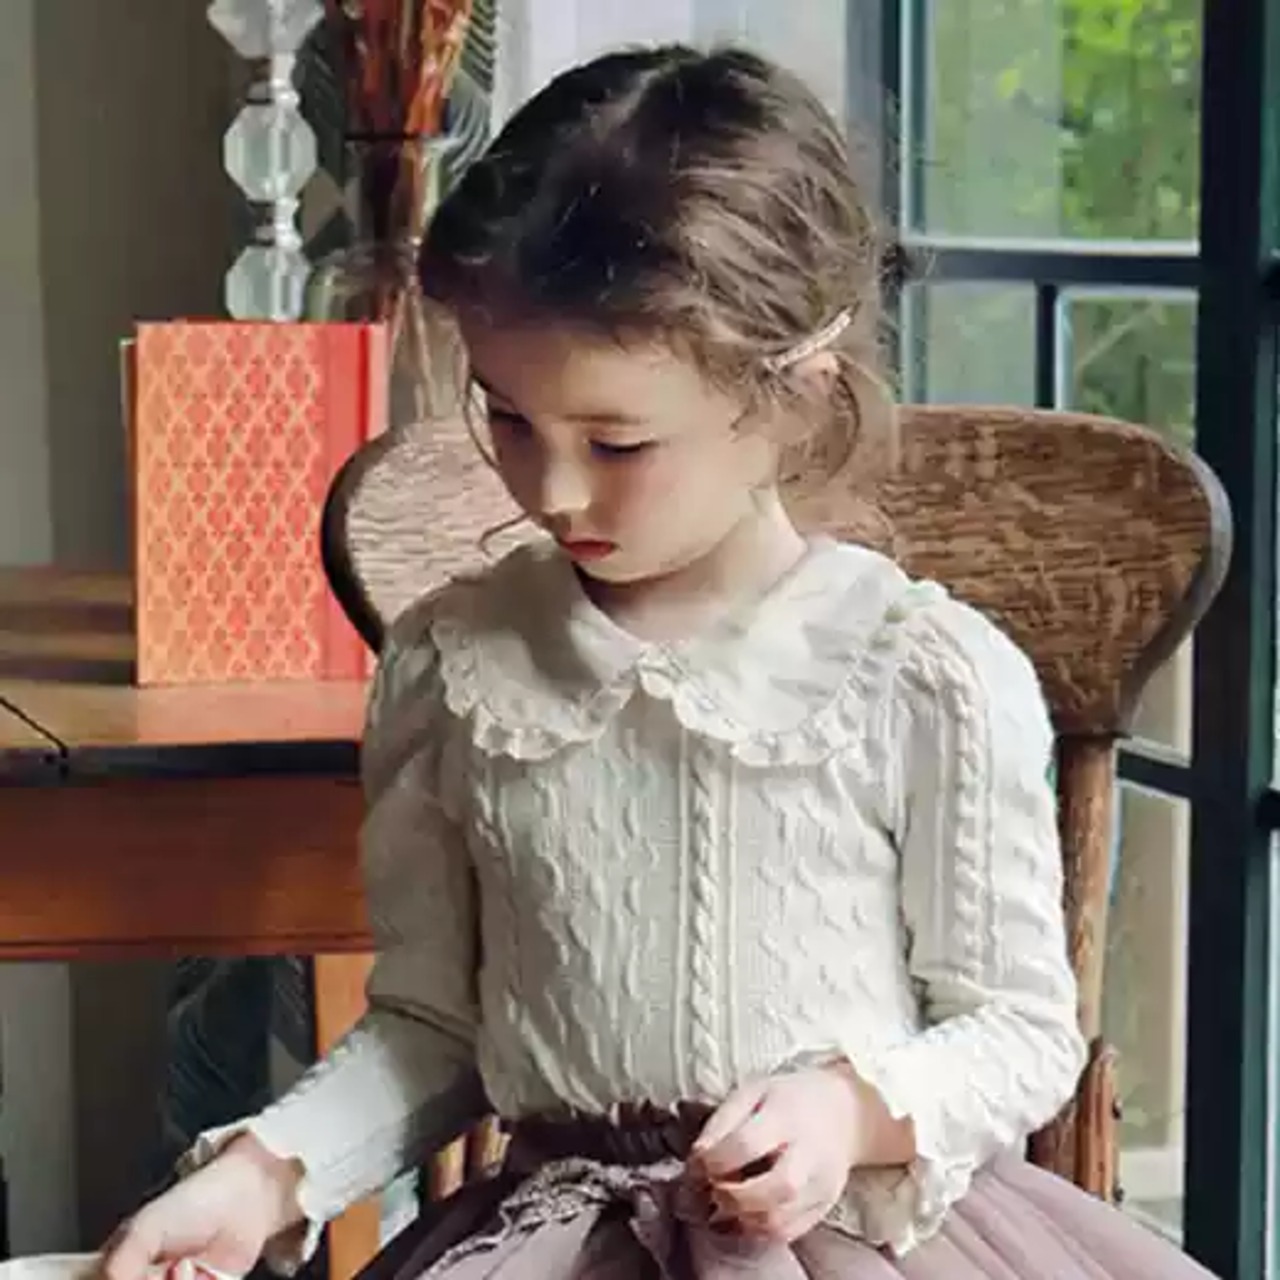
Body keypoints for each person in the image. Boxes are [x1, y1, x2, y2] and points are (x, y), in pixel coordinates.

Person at [99, 44, 1216, 1280]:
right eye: (507, 416)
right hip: (555, 1245)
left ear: (792, 397)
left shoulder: (920, 674)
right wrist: (267, 1173)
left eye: (617, 442)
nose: (551, 489)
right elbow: (430, 1027)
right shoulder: (456, 665)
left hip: (844, 1241)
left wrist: (848, 1112)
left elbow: (1015, 1029)